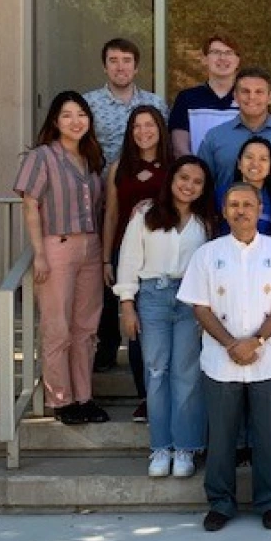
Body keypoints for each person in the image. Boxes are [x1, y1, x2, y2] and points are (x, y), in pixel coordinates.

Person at [178, 183, 271, 532]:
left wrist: (257, 341)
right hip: (221, 360)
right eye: (233, 204)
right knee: (221, 437)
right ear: (224, 210)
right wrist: (232, 343)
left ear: (260, 207)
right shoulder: (207, 254)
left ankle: (270, 501)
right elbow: (199, 307)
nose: (241, 210)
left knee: (267, 435)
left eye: (248, 204)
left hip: (268, 358)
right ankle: (220, 502)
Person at [114, 156, 218, 478]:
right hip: (153, 297)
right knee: (156, 371)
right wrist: (127, 304)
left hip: (191, 301)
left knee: (186, 374)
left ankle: (185, 447)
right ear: (171, 179)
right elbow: (129, 259)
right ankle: (160, 447)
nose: (189, 186)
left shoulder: (206, 222)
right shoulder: (146, 214)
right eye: (183, 178)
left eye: (197, 182)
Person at [12, 91, 110, 426]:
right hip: (58, 246)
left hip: (91, 247)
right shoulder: (42, 157)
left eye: (81, 114)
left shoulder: (91, 158)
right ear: (55, 121)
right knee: (58, 326)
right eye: (67, 115)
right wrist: (39, 254)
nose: (75, 121)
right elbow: (30, 204)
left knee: (86, 326)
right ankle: (61, 398)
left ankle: (84, 396)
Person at [85, 38, 169, 375]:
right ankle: (107, 345)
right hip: (106, 197)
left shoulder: (155, 103)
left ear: (137, 66)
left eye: (127, 60)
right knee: (109, 278)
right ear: (105, 65)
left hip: (150, 207)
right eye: (113, 60)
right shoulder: (89, 103)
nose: (120, 66)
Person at [101, 106, 173, 418]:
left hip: (164, 256)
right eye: (137, 127)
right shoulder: (119, 167)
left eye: (150, 125)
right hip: (128, 254)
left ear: (160, 128)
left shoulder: (174, 166)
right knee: (136, 325)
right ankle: (146, 396)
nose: (143, 132)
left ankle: (170, 392)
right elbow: (112, 214)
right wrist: (106, 258)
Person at [199, 67, 271, 203]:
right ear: (235, 96)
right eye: (245, 91)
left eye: (259, 92)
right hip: (223, 220)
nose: (252, 97)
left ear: (270, 97)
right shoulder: (215, 137)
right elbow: (203, 185)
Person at [168, 34, 242, 157]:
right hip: (199, 174)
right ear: (204, 59)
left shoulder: (249, 98)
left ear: (238, 61)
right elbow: (179, 148)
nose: (222, 58)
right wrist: (196, 171)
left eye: (229, 53)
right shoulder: (187, 98)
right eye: (216, 52)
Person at [214, 136, 271, 235]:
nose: (255, 163)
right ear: (239, 164)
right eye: (249, 157)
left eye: (263, 159)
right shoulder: (220, 195)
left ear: (270, 167)